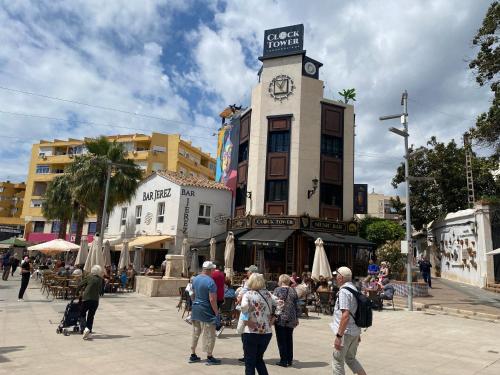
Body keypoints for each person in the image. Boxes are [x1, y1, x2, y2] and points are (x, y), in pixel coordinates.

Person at [332, 267, 366, 375]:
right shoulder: (355, 289)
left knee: (337, 361)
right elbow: (356, 312)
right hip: (354, 331)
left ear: (341, 278)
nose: (335, 278)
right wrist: (357, 333)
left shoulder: (344, 292)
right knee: (350, 358)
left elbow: (345, 315)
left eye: (336, 276)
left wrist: (338, 336)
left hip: (345, 333)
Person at [241, 273, 275, 375]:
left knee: (250, 361)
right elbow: (280, 303)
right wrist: (274, 317)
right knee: (259, 359)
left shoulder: (248, 294)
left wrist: (246, 320)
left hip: (251, 331)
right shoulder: (268, 294)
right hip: (266, 331)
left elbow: (244, 307)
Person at [189, 261, 221, 365]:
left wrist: (194, 303)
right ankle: (209, 356)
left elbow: (192, 293)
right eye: (213, 270)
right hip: (206, 310)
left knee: (195, 332)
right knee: (209, 334)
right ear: (210, 270)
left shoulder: (195, 279)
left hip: (196, 308)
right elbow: (212, 299)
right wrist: (216, 313)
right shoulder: (210, 282)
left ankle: (193, 354)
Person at [273, 274, 299, 367]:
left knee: (281, 339)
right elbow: (297, 306)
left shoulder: (277, 290)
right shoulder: (293, 291)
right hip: (291, 318)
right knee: (289, 339)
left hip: (280, 318)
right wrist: (297, 318)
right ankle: (289, 359)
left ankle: (283, 360)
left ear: (280, 281)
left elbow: (274, 304)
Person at [78, 265, 103, 340]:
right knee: (91, 316)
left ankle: (84, 329)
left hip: (87, 299)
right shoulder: (100, 279)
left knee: (82, 313)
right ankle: (89, 330)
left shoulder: (89, 277)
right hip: (95, 300)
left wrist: (78, 291)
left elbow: (80, 284)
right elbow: (101, 291)